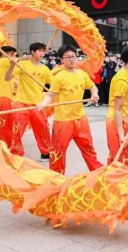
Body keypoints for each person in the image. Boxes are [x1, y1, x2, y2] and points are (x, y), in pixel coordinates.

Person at [37, 45, 103, 175]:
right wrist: (43, 103)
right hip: (63, 122)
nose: (72, 59)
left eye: (73, 56)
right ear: (62, 60)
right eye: (67, 57)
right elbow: (50, 95)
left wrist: (94, 94)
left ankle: (99, 174)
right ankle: (57, 180)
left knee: (89, 149)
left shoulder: (82, 74)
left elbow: (93, 86)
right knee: (58, 153)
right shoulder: (59, 77)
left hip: (81, 119)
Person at [5, 43, 53, 161]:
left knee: (43, 127)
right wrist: (12, 65)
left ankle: (45, 152)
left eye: (43, 51)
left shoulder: (45, 69)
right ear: (32, 52)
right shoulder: (22, 65)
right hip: (21, 102)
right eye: (39, 51)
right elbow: (7, 78)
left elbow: (54, 85)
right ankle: (16, 152)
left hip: (37, 104)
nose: (42, 53)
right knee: (18, 128)